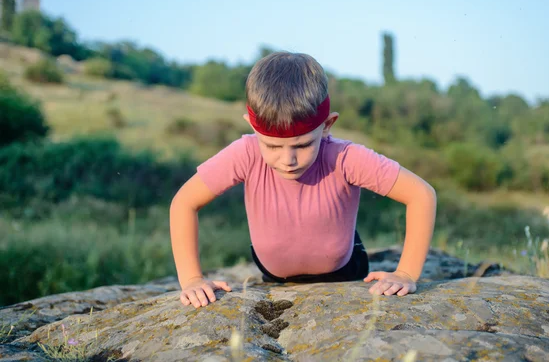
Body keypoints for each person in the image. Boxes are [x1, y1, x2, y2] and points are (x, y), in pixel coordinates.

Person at [169, 52, 437, 309]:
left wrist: (406, 273)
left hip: (344, 272)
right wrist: (192, 279)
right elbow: (184, 203)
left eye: (302, 145)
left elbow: (421, 194)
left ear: (328, 124)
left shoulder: (345, 157)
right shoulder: (245, 153)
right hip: (275, 278)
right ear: (252, 126)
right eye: (273, 147)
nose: (288, 159)